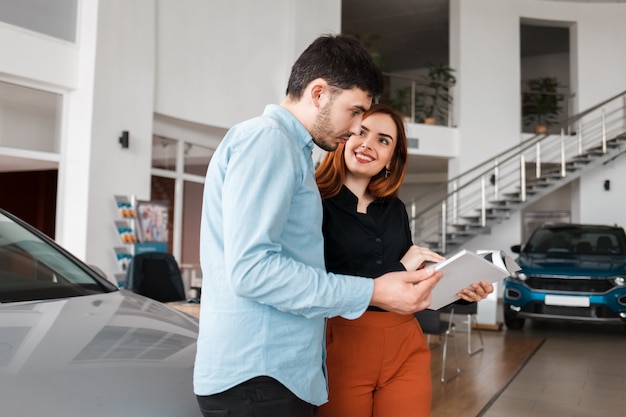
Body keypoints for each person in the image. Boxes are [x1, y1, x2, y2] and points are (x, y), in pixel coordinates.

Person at [193, 34, 445, 417]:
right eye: (355, 111)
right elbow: (252, 271)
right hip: (260, 377)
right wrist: (371, 291)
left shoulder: (290, 151)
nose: (357, 127)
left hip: (272, 375)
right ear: (318, 93)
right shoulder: (269, 141)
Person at [315, 103, 494, 417]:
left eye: (384, 140)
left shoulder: (395, 209)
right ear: (344, 136)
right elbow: (318, 281)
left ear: (391, 158)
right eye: (361, 132)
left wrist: (460, 291)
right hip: (340, 344)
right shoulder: (315, 202)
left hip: (405, 344)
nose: (369, 144)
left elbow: (410, 281)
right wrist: (402, 267)